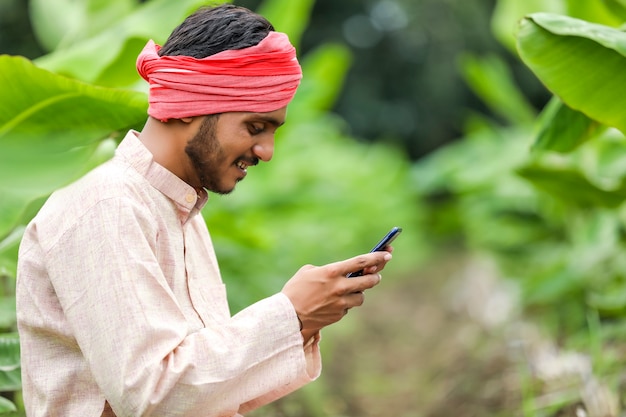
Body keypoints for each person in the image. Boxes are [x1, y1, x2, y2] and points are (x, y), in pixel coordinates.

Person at [16, 4, 393, 417]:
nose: (267, 152)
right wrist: (290, 313)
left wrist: (302, 320)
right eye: (255, 127)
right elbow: (151, 396)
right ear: (190, 104)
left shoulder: (181, 211)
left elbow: (205, 394)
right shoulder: (105, 206)